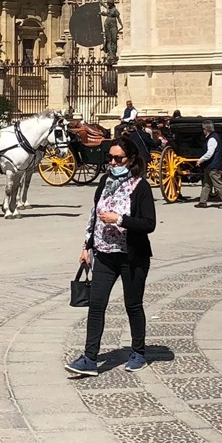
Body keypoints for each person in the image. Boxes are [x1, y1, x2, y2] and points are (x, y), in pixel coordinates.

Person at [66, 134, 157, 375]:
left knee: (133, 305)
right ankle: (89, 358)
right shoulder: (105, 181)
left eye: (118, 159)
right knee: (96, 305)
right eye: (110, 158)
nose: (113, 163)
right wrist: (87, 246)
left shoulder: (140, 186)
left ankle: (138, 352)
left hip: (132, 256)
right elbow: (93, 215)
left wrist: (120, 220)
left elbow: (149, 223)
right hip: (104, 254)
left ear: (130, 159)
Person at [195, 120, 222, 208]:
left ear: (206, 129)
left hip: (213, 165)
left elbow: (210, 152)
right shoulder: (213, 137)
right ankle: (203, 202)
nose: (203, 131)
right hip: (209, 165)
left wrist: (201, 160)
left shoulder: (212, 138)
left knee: (217, 184)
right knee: (206, 184)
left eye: (203, 129)